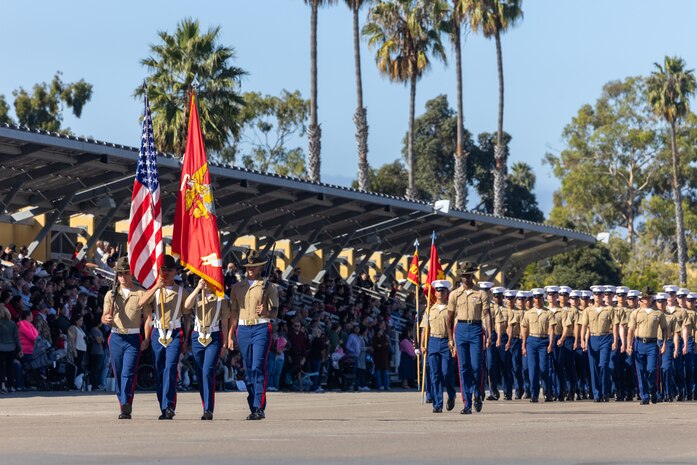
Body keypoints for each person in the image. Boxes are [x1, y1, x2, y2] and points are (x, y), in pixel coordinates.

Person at [229, 250, 279, 420]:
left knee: (258, 366)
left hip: (261, 328)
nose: (251, 269)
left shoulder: (269, 286)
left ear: (260, 267)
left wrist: (266, 311)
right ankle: (253, 405)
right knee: (249, 369)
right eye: (248, 266)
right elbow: (234, 314)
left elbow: (274, 313)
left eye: (254, 266)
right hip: (243, 330)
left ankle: (259, 406)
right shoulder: (237, 288)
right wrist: (230, 335)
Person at [140, 254, 190, 420]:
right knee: (159, 370)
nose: (166, 273)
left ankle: (169, 406)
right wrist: (156, 287)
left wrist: (186, 338)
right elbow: (141, 303)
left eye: (169, 270)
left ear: (175, 271)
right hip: (157, 332)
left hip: (174, 332)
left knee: (170, 368)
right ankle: (163, 405)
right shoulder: (155, 290)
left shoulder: (181, 292)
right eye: (164, 270)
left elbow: (187, 316)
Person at [102, 257, 152, 419]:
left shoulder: (141, 293)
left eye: (126, 273)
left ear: (132, 274)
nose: (123, 276)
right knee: (118, 373)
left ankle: (126, 404)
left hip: (133, 338)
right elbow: (104, 316)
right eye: (120, 273)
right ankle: (123, 403)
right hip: (116, 336)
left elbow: (148, 318)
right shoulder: (111, 294)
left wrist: (146, 338)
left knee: (128, 372)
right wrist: (106, 319)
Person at [446, 262, 491, 415]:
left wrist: (489, 334)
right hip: (461, 329)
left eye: (468, 275)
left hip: (476, 329)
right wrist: (450, 338)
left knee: (477, 366)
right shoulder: (454, 294)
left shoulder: (481, 294)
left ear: (473, 275)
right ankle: (467, 403)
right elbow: (449, 317)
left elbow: (487, 314)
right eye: (463, 275)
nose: (466, 278)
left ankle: (478, 394)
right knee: (463, 368)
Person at [184, 278, 231, 420]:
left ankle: (208, 409)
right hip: (198, 335)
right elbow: (187, 306)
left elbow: (224, 321)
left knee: (207, 371)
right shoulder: (198, 296)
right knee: (199, 373)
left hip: (214, 336)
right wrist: (198, 288)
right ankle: (205, 404)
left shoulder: (221, 299)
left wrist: (224, 343)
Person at [421, 280, 456, 413]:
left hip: (446, 342)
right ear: (434, 293)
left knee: (446, 372)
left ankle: (451, 394)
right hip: (433, 341)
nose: (440, 293)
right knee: (434, 374)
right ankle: (437, 404)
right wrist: (423, 345)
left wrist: (454, 343)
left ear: (447, 293)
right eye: (438, 291)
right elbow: (425, 328)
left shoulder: (451, 309)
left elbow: (454, 327)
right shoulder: (430, 309)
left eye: (442, 291)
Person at [627, 288, 667, 404]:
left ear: (651, 298)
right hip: (639, 343)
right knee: (640, 371)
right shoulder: (636, 313)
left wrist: (663, 344)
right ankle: (644, 396)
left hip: (652, 344)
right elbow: (630, 330)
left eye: (648, 297)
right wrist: (629, 345)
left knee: (651, 370)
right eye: (644, 297)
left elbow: (664, 329)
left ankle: (653, 391)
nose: (646, 300)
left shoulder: (658, 313)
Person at [580, 285, 619, 402]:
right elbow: (584, 326)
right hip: (592, 338)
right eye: (595, 294)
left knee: (603, 365)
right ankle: (597, 394)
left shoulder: (609, 309)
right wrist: (582, 340)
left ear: (603, 296)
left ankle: (605, 392)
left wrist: (615, 340)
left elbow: (615, 326)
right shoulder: (588, 310)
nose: (597, 296)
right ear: (593, 295)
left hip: (605, 338)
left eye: (600, 294)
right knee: (593, 368)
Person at [521, 288, 556, 402]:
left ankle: (547, 391)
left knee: (544, 368)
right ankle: (534, 394)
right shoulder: (528, 313)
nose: (537, 300)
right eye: (535, 298)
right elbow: (524, 329)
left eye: (539, 298)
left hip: (543, 341)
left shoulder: (548, 313)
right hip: (531, 340)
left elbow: (551, 329)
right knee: (532, 369)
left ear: (543, 298)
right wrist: (524, 345)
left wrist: (551, 344)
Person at [657, 291, 681, 402]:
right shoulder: (652, 315)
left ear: (666, 302)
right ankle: (657, 393)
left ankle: (668, 392)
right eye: (658, 301)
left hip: (668, 343)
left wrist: (676, 348)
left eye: (662, 302)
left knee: (666, 368)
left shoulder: (671, 317)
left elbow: (676, 333)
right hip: (654, 343)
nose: (660, 304)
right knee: (655, 370)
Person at [0, 307, 20, 393]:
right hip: (11, 347)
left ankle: (2, 385)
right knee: (10, 367)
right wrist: (20, 349)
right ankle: (11, 386)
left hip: (1, 347)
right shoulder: (12, 323)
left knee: (1, 367)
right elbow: (16, 337)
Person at [68, 313, 87, 389]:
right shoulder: (73, 328)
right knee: (76, 367)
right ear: (76, 321)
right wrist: (74, 350)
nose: (81, 322)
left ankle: (78, 383)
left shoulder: (81, 328)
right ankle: (73, 383)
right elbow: (72, 339)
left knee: (80, 367)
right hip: (77, 349)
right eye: (80, 320)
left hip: (82, 350)